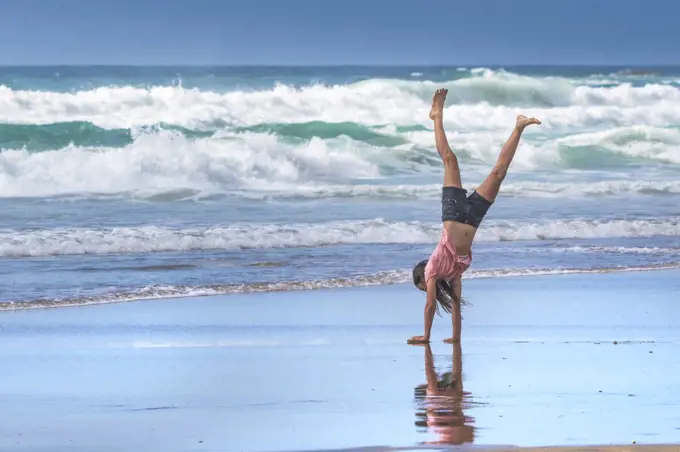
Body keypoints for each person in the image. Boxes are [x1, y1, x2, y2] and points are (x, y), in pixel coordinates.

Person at [409, 89, 540, 344]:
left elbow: (429, 307)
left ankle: (436, 116)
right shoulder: (454, 272)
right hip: (473, 219)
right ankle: (519, 126)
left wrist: (425, 337)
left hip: (454, 214)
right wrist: (455, 338)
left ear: (422, 279)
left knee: (450, 161)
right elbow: (456, 306)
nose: (426, 291)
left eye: (421, 288)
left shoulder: (433, 270)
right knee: (498, 174)